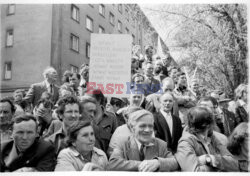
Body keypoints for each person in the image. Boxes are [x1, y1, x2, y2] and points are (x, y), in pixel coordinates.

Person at [108, 109, 179, 171]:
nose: (147, 130)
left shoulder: (161, 144)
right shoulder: (123, 142)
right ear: (132, 128)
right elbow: (113, 164)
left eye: (150, 126)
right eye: (142, 126)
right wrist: (144, 164)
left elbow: (175, 162)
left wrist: (158, 163)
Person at [175, 107, 239, 171]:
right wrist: (218, 167)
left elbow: (234, 164)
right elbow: (194, 171)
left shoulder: (211, 137)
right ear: (208, 125)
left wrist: (212, 159)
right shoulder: (185, 143)